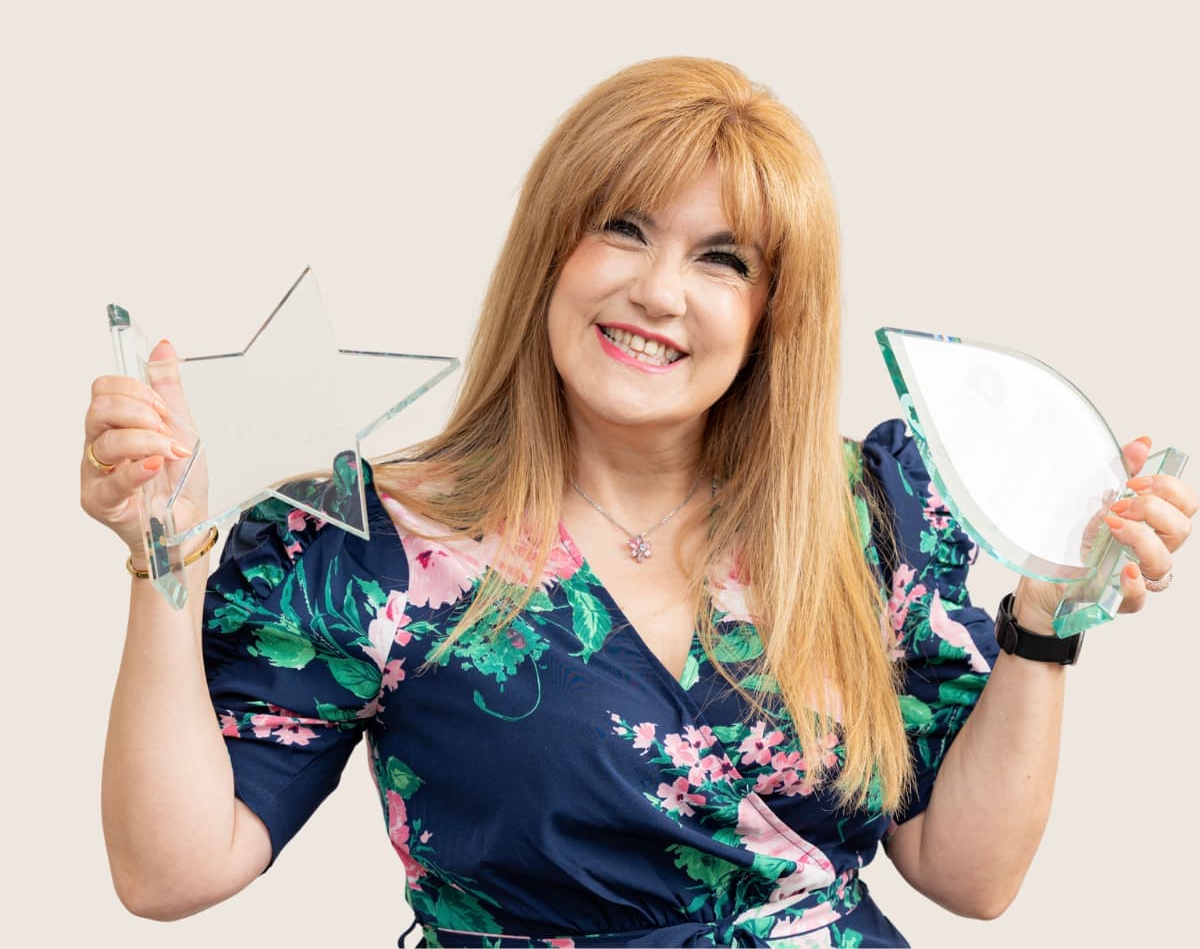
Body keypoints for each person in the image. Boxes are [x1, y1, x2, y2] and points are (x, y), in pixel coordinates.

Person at [82, 57, 1195, 947]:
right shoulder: (370, 549)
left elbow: (967, 875)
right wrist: (161, 565)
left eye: (722, 260)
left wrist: (1046, 624)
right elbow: (171, 872)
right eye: (622, 227)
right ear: (548, 251)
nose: (659, 291)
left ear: (770, 315)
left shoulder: (870, 515)